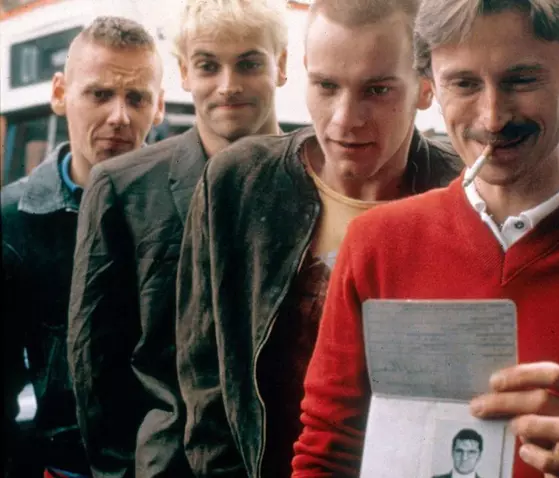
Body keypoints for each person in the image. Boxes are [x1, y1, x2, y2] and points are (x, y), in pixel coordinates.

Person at [292, 0, 559, 477]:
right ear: (431, 85)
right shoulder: (374, 243)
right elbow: (326, 451)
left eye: (521, 80)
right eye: (464, 84)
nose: (493, 117)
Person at [174, 0, 462, 476]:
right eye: (326, 86)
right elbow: (204, 382)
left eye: (377, 90)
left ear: (426, 87)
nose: (345, 118)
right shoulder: (238, 182)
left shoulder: (466, 196)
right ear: (304, 73)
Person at [66, 1, 288, 477]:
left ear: (282, 65)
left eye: (249, 64)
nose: (228, 85)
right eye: (208, 65)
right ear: (185, 72)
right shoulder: (123, 187)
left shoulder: (317, 178)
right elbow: (95, 366)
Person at [2, 16, 164, 478]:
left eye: (137, 98)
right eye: (100, 94)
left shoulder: (186, 211)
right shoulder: (12, 220)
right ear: (59, 93)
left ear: (158, 107)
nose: (119, 116)